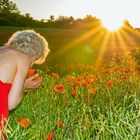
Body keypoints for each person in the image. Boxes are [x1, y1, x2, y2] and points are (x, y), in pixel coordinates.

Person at [0, 30, 50, 139]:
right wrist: (25, 86)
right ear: (36, 54)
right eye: (34, 62)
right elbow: (11, 103)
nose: (31, 66)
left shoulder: (2, 49)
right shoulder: (23, 58)